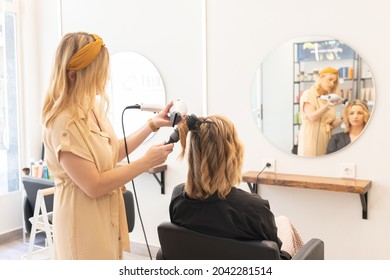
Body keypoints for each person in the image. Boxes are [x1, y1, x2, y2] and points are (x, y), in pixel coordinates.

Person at [41, 32, 174, 260]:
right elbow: (92, 184)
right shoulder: (63, 122)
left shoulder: (92, 108)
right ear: (74, 75)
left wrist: (151, 125)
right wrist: (145, 163)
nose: (104, 79)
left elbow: (110, 153)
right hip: (81, 222)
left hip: (104, 215)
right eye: (98, 73)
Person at [169, 114, 304, 259]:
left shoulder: (178, 198)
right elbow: (275, 254)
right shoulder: (253, 208)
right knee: (285, 224)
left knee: (282, 221)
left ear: (193, 153)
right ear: (232, 152)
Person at [298, 67, 344, 156]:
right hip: (311, 137)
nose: (332, 84)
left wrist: (342, 117)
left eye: (334, 82)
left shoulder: (328, 97)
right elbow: (312, 117)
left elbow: (331, 124)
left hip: (326, 138)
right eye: (330, 79)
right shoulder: (309, 94)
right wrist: (329, 105)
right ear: (321, 78)